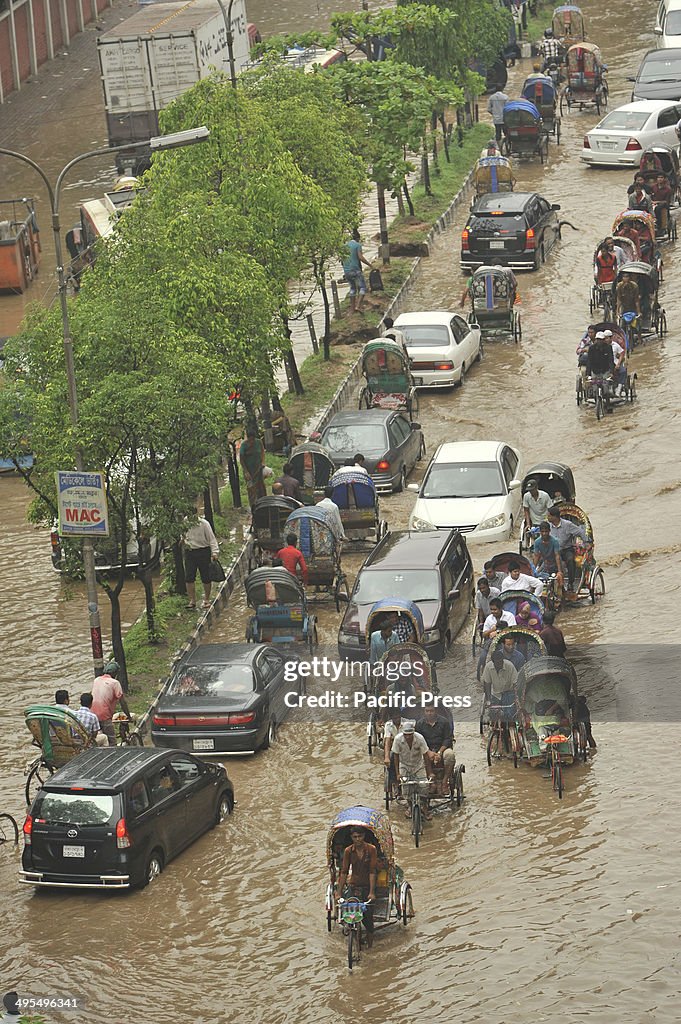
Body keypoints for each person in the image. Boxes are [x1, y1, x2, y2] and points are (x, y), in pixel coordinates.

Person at [336, 826, 377, 945]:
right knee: (348, 911)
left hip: (367, 885)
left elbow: (372, 871)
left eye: (360, 836)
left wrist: (372, 892)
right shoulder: (348, 851)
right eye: (355, 837)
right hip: (354, 885)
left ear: (363, 836)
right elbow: (344, 872)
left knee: (368, 918)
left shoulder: (371, 849)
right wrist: (338, 892)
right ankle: (352, 934)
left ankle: (370, 944)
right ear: (352, 838)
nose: (358, 839)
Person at [391, 720, 430, 819]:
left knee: (424, 786)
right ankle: (410, 806)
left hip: (418, 765)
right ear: (403, 733)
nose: (408, 737)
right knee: (406, 790)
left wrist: (430, 772)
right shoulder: (398, 739)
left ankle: (425, 807)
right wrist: (398, 773)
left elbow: (425, 755)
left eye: (410, 734)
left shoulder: (420, 738)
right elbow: (395, 756)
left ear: (413, 733)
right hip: (404, 765)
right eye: (406, 734)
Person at [183, 509, 220, 610]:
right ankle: (192, 600)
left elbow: (212, 539)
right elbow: (183, 535)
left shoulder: (204, 524)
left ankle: (207, 599)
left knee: (205, 576)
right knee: (189, 576)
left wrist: (214, 552)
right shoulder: (184, 523)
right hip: (190, 552)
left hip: (203, 551)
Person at [547, 505, 587, 597]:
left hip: (566, 549)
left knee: (570, 560)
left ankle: (570, 582)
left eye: (549, 516)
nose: (548, 517)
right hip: (553, 550)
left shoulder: (567, 525)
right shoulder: (548, 526)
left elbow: (580, 532)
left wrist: (586, 542)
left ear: (555, 517)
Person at [416, 706, 455, 797]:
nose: (429, 713)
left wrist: (439, 752)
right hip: (426, 750)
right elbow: (419, 741)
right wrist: (428, 752)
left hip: (442, 748)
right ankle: (430, 782)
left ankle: (445, 781)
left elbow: (447, 739)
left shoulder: (444, 722)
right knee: (418, 758)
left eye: (431, 711)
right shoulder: (419, 724)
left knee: (450, 755)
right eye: (427, 711)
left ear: (436, 711)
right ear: (424, 712)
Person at [91, 661, 131, 746]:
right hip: (105, 715)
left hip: (92, 715)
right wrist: (128, 716)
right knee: (112, 741)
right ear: (115, 673)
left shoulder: (96, 680)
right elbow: (122, 702)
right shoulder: (115, 683)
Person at [342, 228, 372, 314]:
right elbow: (360, 257)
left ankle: (352, 309)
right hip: (355, 270)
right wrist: (370, 265)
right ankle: (358, 306)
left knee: (352, 288)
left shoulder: (344, 246)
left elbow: (342, 260)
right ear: (358, 238)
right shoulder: (357, 245)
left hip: (347, 271)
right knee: (362, 288)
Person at [532, 521, 565, 597]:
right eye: (542, 531)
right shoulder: (537, 542)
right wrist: (533, 570)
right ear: (540, 532)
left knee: (560, 584)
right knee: (541, 582)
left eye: (546, 531)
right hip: (546, 564)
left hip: (557, 563)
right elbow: (536, 556)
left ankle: (561, 599)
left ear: (549, 531)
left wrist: (559, 571)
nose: (544, 533)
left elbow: (557, 555)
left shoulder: (554, 541)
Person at [239, 427, 266, 509]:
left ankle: (264, 502)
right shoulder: (244, 445)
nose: (252, 441)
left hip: (258, 468)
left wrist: (262, 462)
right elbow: (241, 459)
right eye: (250, 439)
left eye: (253, 439)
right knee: (251, 488)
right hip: (249, 471)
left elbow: (262, 452)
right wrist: (246, 471)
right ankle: (253, 506)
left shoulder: (258, 442)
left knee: (261, 486)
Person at [606, 328, 627, 395]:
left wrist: (618, 363)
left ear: (611, 338)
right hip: (606, 364)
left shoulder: (615, 345)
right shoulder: (602, 346)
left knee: (623, 371)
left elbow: (622, 353)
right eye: (605, 338)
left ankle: (619, 387)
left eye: (607, 338)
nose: (606, 340)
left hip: (615, 363)